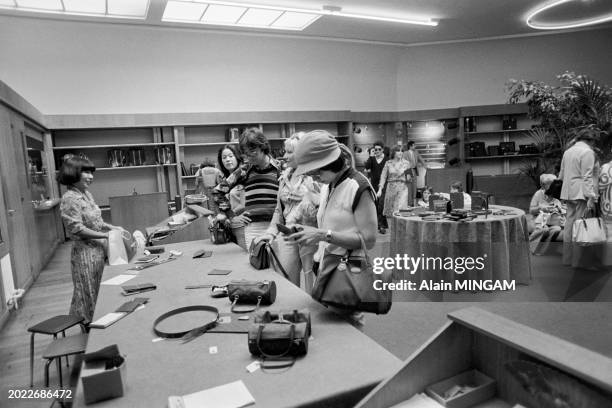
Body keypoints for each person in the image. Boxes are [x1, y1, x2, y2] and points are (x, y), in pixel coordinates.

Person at [289, 130, 377, 327]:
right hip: (327, 266)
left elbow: (369, 240)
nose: (315, 177)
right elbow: (332, 224)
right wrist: (309, 231)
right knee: (331, 328)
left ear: (331, 163)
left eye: (317, 171)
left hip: (347, 271)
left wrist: (323, 235)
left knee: (347, 330)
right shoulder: (330, 185)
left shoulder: (358, 186)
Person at [58, 155, 125, 323]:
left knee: (100, 288)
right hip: (85, 254)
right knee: (89, 291)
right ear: (73, 173)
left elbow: (97, 221)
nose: (91, 176)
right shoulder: (70, 198)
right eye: (85, 172)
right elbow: (77, 228)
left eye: (91, 172)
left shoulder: (86, 194)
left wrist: (112, 227)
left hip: (98, 250)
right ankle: (90, 328)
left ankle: (101, 320)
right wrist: (104, 235)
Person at [253, 133, 320, 293]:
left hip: (310, 236)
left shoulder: (316, 177)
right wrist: (270, 232)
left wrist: (308, 200)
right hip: (287, 236)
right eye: (285, 151)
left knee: (313, 285)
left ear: (302, 154)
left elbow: (320, 210)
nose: (285, 156)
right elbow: (279, 210)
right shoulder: (284, 177)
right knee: (287, 281)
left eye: (290, 152)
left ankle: (315, 314)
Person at [213, 128, 281, 250]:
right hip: (253, 228)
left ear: (262, 147)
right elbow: (217, 192)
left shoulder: (280, 169)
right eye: (246, 153)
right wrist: (232, 216)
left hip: (276, 226)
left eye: (252, 152)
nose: (249, 157)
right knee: (257, 264)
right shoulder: (244, 171)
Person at [559, 132, 599, 266]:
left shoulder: (568, 151)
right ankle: (578, 260)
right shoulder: (587, 152)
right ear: (590, 141)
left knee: (569, 224)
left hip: (568, 191)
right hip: (580, 192)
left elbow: (561, 173)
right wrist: (591, 196)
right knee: (580, 225)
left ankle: (567, 258)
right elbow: (587, 176)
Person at [214, 144, 246, 247]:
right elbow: (219, 197)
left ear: (237, 157)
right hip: (232, 225)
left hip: (243, 225)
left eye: (231, 156)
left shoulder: (243, 174)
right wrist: (224, 214)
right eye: (224, 157)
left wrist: (230, 215)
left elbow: (245, 203)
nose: (228, 160)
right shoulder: (227, 179)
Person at [528, 174, 565, 255]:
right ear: (544, 185)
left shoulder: (556, 195)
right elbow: (531, 210)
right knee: (544, 229)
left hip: (553, 222)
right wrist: (541, 208)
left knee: (556, 229)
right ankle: (528, 247)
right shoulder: (538, 194)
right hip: (538, 220)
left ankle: (542, 250)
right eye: (550, 184)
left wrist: (559, 210)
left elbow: (563, 210)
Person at [377, 146, 411, 226]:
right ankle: (393, 232)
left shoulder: (406, 163)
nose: (400, 152)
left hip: (402, 188)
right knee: (391, 213)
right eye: (398, 151)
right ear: (394, 152)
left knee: (400, 210)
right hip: (391, 188)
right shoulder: (388, 163)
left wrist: (406, 173)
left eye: (402, 151)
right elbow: (383, 176)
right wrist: (380, 189)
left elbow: (409, 179)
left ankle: (402, 231)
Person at [364, 141, 388, 233]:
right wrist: (370, 156)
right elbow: (367, 167)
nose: (377, 151)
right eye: (375, 149)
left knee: (381, 205)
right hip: (374, 185)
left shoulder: (386, 159)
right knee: (376, 204)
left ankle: (381, 225)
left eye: (379, 149)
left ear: (382, 150)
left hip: (384, 185)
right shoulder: (372, 159)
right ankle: (380, 224)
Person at [598, 150, 612, 265]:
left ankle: (607, 261)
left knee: (609, 234)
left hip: (608, 207)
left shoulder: (605, 168)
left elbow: (600, 188)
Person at [405, 141, 427, 206]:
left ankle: (414, 202)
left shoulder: (416, 152)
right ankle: (409, 203)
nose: (415, 146)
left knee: (414, 186)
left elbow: (421, 159)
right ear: (410, 146)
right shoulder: (405, 153)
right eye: (414, 145)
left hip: (414, 170)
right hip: (408, 170)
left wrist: (425, 166)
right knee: (409, 187)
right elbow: (403, 162)